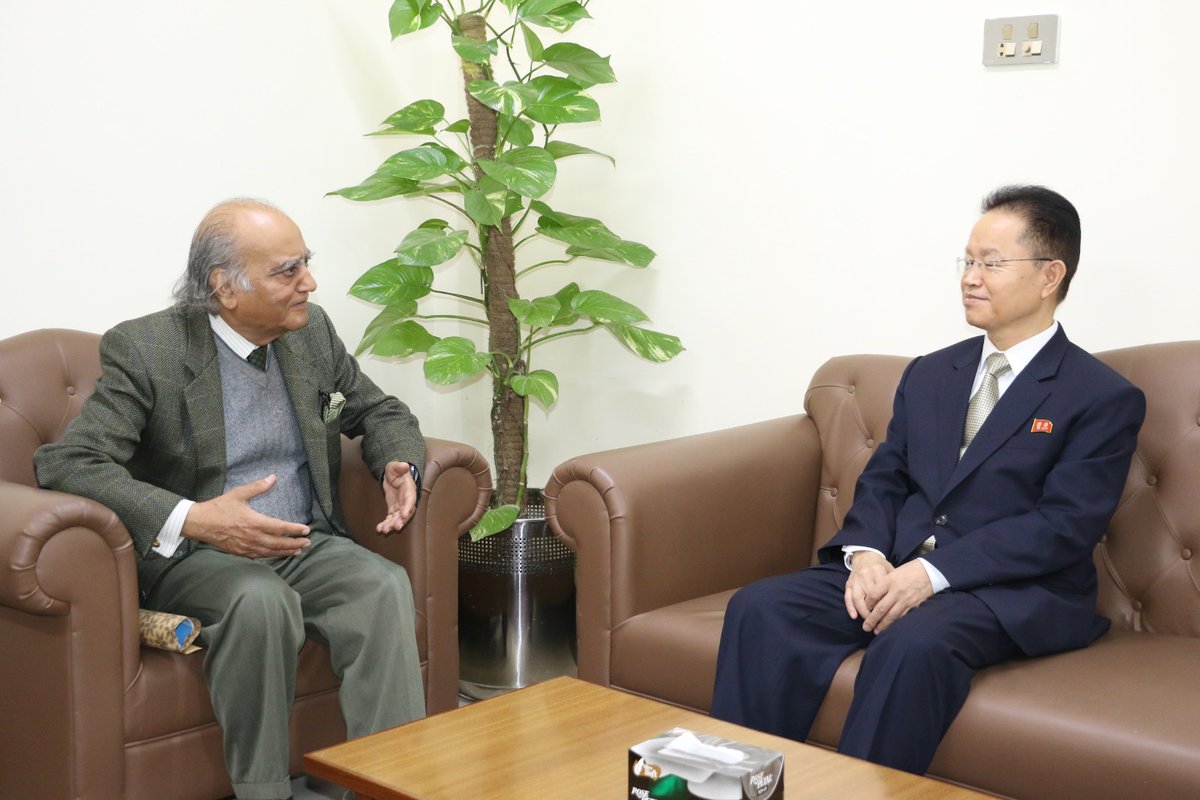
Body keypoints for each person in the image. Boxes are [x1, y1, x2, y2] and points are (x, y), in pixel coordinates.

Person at [710, 185, 1146, 774]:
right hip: (895, 567)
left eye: (991, 263)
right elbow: (887, 474)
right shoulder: (934, 372)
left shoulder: (1100, 396)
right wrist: (864, 555)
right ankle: (734, 788)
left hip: (1008, 593)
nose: (971, 276)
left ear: (1050, 276)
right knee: (762, 608)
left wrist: (932, 574)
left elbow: (1063, 526)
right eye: (967, 261)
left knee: (912, 645)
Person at [35, 198, 427, 800]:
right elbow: (69, 462)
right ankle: (265, 792)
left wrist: (396, 460)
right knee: (260, 601)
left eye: (306, 264)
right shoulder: (149, 351)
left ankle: (390, 787)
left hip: (303, 539)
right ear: (224, 288)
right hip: (199, 557)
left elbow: (379, 409)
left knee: (380, 587)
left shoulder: (311, 332)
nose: (309, 283)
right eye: (287, 271)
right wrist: (195, 518)